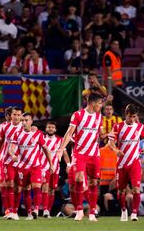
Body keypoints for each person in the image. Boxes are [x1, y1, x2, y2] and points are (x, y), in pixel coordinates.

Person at [58, 93, 104, 221]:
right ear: (93, 103)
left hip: (94, 154)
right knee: (78, 179)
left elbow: (100, 135)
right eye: (100, 103)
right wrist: (61, 149)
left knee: (94, 182)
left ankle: (92, 212)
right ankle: (79, 211)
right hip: (80, 153)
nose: (101, 106)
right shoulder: (78, 115)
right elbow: (69, 133)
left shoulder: (99, 117)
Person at [108, 104, 144, 221]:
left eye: (134, 116)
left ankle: (134, 213)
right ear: (126, 114)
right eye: (130, 116)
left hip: (135, 163)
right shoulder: (117, 127)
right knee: (121, 191)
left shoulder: (140, 127)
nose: (132, 119)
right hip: (121, 164)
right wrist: (116, 150)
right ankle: (124, 211)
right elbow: (110, 143)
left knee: (136, 188)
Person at [8, 112, 53, 220]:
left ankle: (36, 210)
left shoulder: (37, 134)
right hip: (22, 167)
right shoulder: (17, 134)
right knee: (25, 189)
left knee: (37, 187)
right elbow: (11, 149)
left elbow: (46, 149)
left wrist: (51, 164)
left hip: (35, 166)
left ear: (31, 121)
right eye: (22, 120)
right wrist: (12, 154)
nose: (23, 122)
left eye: (26, 120)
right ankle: (28, 213)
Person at [0, 106, 23, 219]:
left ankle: (15, 210)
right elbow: (0, 141)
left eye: (18, 115)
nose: (16, 117)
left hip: (20, 161)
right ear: (11, 115)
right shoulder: (4, 127)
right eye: (14, 115)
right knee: (8, 184)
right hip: (6, 159)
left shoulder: (24, 128)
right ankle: (9, 210)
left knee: (18, 187)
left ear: (21, 116)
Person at [40, 121, 63, 218]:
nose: (50, 129)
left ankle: (48, 211)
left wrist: (69, 163)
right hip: (44, 167)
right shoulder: (41, 138)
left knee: (52, 190)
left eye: (53, 127)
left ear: (55, 129)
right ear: (46, 129)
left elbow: (64, 153)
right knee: (45, 187)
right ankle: (45, 209)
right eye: (49, 127)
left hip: (55, 168)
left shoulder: (60, 140)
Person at [0, 107, 12, 215]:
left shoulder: (21, 127)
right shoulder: (1, 127)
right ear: (6, 116)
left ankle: (15, 208)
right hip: (4, 158)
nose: (11, 116)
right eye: (9, 114)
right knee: (4, 184)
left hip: (18, 159)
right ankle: (7, 209)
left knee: (16, 185)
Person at [0, 9, 18, 74]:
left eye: (11, 15)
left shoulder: (14, 28)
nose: (9, 16)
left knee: (4, 68)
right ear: (5, 15)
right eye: (8, 14)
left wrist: (12, 52)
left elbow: (13, 42)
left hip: (5, 50)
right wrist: (1, 38)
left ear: (13, 17)